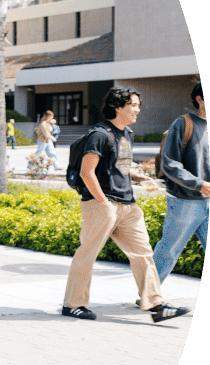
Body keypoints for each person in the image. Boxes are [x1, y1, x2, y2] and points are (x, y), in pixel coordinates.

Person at [62, 87, 188, 323]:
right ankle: (73, 304)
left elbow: (121, 168)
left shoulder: (127, 133)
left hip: (128, 206)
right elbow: (87, 172)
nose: (138, 109)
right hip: (102, 204)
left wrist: (140, 178)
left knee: (143, 254)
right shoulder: (99, 134)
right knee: (87, 254)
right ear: (117, 107)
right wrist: (103, 202)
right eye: (133, 104)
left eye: (138, 105)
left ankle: (155, 305)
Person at [152, 81, 208, 286]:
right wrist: (199, 184)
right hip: (186, 201)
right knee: (169, 249)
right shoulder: (183, 123)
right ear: (199, 99)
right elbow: (170, 163)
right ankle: (149, 294)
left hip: (208, 200)